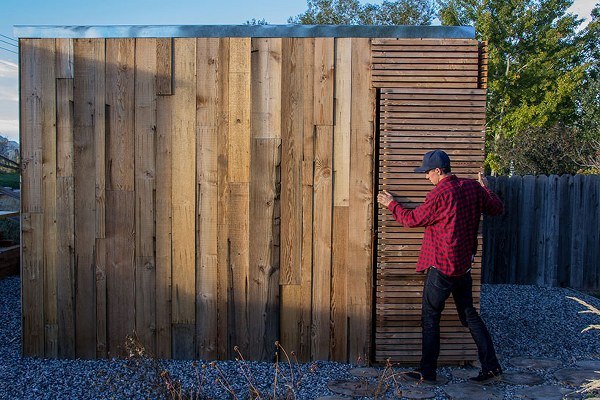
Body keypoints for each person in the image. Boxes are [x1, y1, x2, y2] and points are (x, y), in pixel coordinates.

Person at [376, 149, 504, 385]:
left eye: (427, 172)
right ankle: (491, 366)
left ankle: (428, 372)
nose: (426, 177)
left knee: (430, 318)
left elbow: (412, 220)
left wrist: (391, 204)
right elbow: (497, 208)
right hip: (463, 267)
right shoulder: (473, 188)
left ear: (437, 171)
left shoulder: (439, 194)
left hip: (441, 268)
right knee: (469, 316)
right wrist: (486, 186)